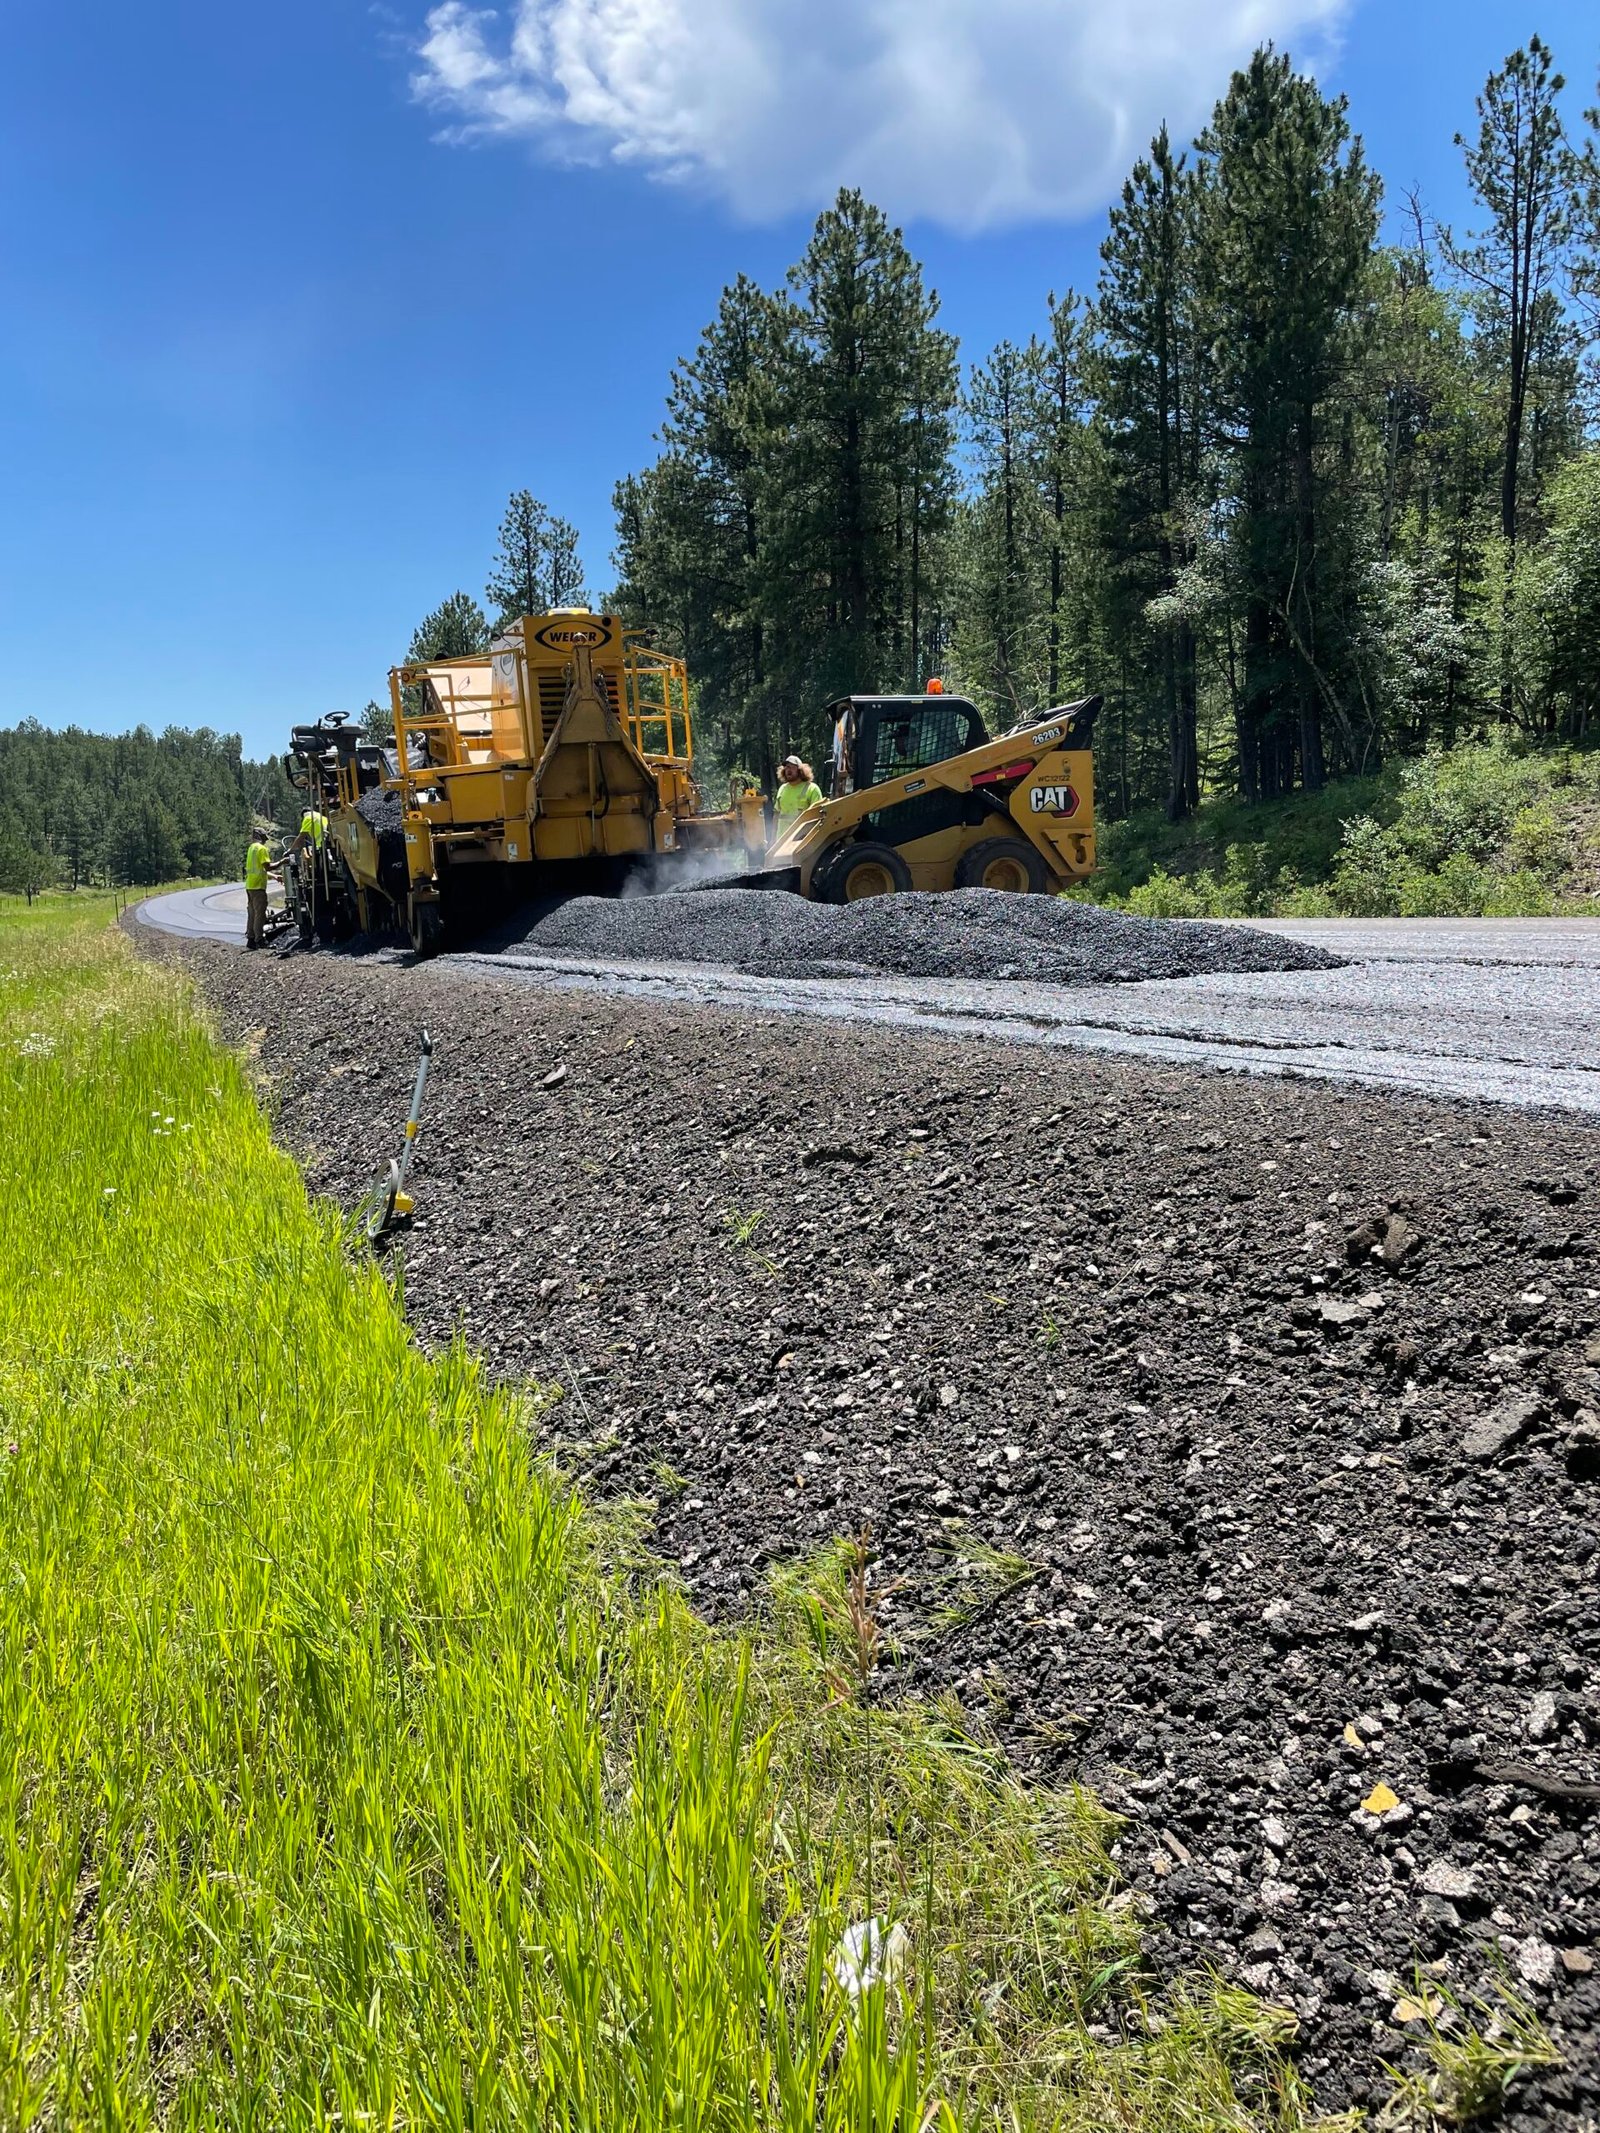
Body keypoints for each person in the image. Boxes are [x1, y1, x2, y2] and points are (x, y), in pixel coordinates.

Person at [243, 835, 277, 949]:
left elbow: (259, 868)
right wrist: (282, 862)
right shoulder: (262, 849)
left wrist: (275, 876)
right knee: (260, 914)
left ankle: (251, 939)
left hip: (250, 885)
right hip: (258, 885)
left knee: (252, 913)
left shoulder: (252, 848)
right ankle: (260, 940)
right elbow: (267, 867)